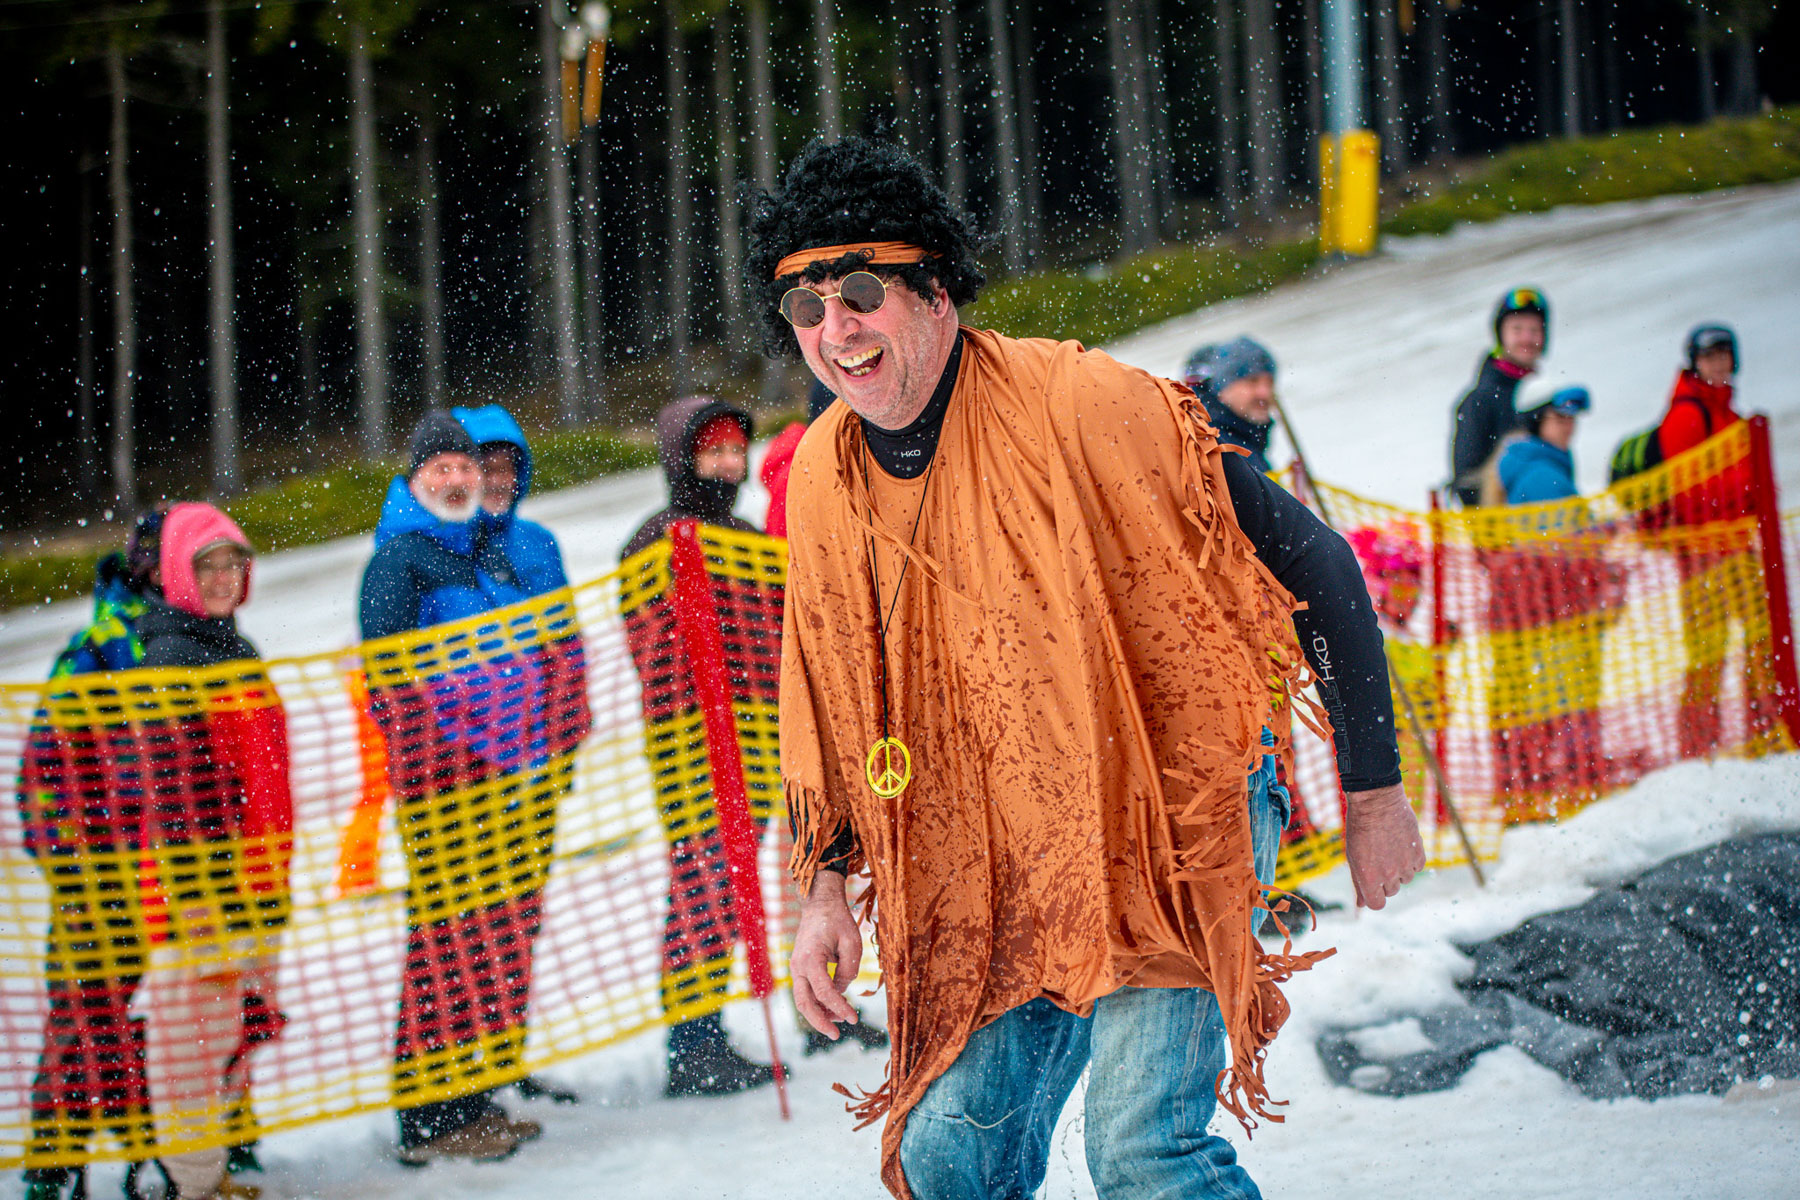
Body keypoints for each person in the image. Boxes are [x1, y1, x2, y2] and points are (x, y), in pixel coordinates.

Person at [754, 138, 1423, 1200]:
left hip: (1170, 803)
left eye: (865, 292)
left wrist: (1374, 792)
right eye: (806, 305)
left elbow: (1314, 562)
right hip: (1000, 844)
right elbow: (830, 699)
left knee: (1142, 1151)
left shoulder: (1084, 404)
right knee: (947, 1159)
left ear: (937, 290)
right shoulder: (825, 484)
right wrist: (824, 888)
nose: (837, 330)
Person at [358, 412, 587, 1164]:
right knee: (446, 942)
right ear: (417, 479)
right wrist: (451, 767)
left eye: (474, 468)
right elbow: (393, 688)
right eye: (450, 468)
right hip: (449, 792)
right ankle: (430, 1116)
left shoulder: (477, 553)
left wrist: (546, 746)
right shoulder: (401, 561)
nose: (470, 480)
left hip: (507, 781)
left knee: (485, 937)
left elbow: (536, 660)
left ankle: (472, 1093)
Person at [133, 503, 293, 1200]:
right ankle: (187, 1184)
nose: (225, 578)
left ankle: (212, 1174)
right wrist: (196, 901)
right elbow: (172, 794)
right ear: (177, 572)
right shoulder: (170, 657)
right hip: (201, 895)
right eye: (208, 567)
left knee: (229, 1037)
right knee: (190, 1052)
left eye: (234, 564)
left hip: (253, 882)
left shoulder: (234, 647)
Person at [16, 511, 166, 1200]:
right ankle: (55, 1167)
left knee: (182, 1014)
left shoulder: (192, 638)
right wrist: (75, 862)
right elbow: (42, 768)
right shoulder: (98, 650)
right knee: (82, 1014)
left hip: (176, 866)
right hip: (101, 871)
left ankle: (170, 1154)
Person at [452, 403, 589, 1105]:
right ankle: (461, 1072)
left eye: (509, 467)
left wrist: (566, 736)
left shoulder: (537, 544)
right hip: (471, 776)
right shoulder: (446, 553)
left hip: (539, 768)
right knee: (467, 924)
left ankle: (506, 1055)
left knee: (519, 918)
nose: (499, 479)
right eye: (486, 466)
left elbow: (567, 650)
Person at [1485, 383, 1623, 819]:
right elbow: (1560, 550)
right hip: (1558, 607)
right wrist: (1604, 541)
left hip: (1540, 607)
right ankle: (1579, 775)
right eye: (1559, 419)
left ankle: (1547, 777)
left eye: (1572, 420)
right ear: (1537, 421)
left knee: (1549, 692)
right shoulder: (1541, 475)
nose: (1569, 428)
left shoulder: (1532, 465)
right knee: (1569, 691)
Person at [1651, 324, 1768, 759]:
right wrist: (1747, 493)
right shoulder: (1686, 416)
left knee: (1761, 645)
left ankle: (1764, 733)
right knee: (1709, 654)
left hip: (1739, 550)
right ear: (1695, 363)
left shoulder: (1730, 417)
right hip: (1701, 557)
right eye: (1709, 357)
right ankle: (1699, 748)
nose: (1718, 364)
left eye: (1724, 355)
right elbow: (1691, 493)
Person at [1449, 287, 1548, 506]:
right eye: (1517, 329)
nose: (1526, 339)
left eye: (1534, 330)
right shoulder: (1480, 400)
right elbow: (1466, 486)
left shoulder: (1544, 393)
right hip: (1504, 521)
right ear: (1501, 336)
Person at [1187, 337, 1279, 474]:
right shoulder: (1217, 449)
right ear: (1222, 389)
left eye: (1269, 383)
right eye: (1252, 381)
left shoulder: (1246, 438)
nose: (1264, 393)